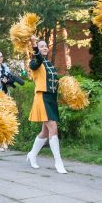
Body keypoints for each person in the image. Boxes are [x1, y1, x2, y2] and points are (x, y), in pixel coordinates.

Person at [25, 38, 67, 173]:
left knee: (45, 131)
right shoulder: (35, 62)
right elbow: (37, 61)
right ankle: (58, 162)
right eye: (41, 46)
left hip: (51, 98)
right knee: (53, 127)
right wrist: (33, 46)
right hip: (42, 97)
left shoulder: (49, 63)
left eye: (45, 46)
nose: (44, 48)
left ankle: (32, 155)